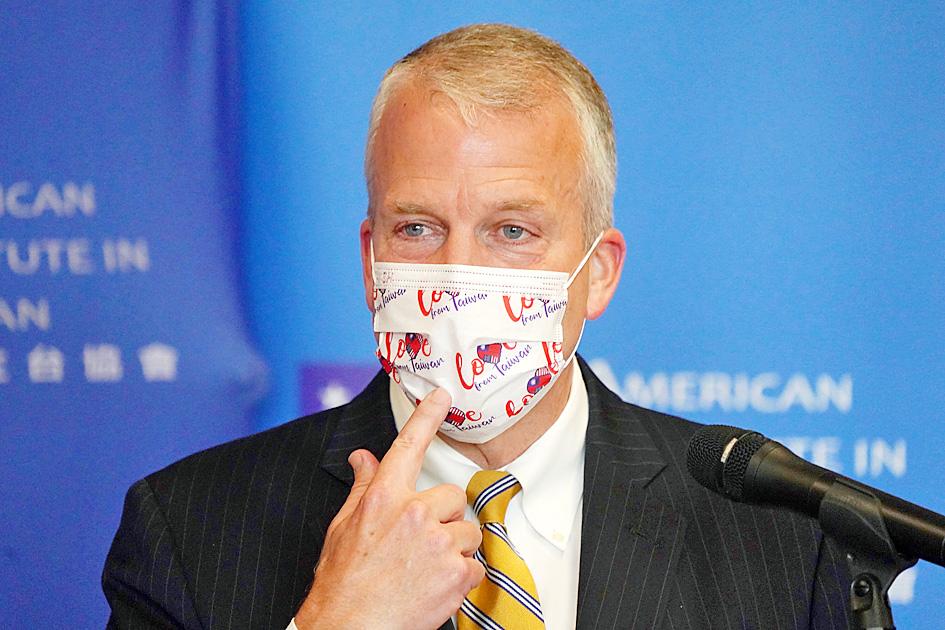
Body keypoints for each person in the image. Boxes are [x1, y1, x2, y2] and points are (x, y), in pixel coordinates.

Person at [103, 24, 851, 629]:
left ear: (597, 272)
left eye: (512, 231)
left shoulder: (777, 537)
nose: (457, 276)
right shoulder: (189, 529)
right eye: (418, 228)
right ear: (371, 261)